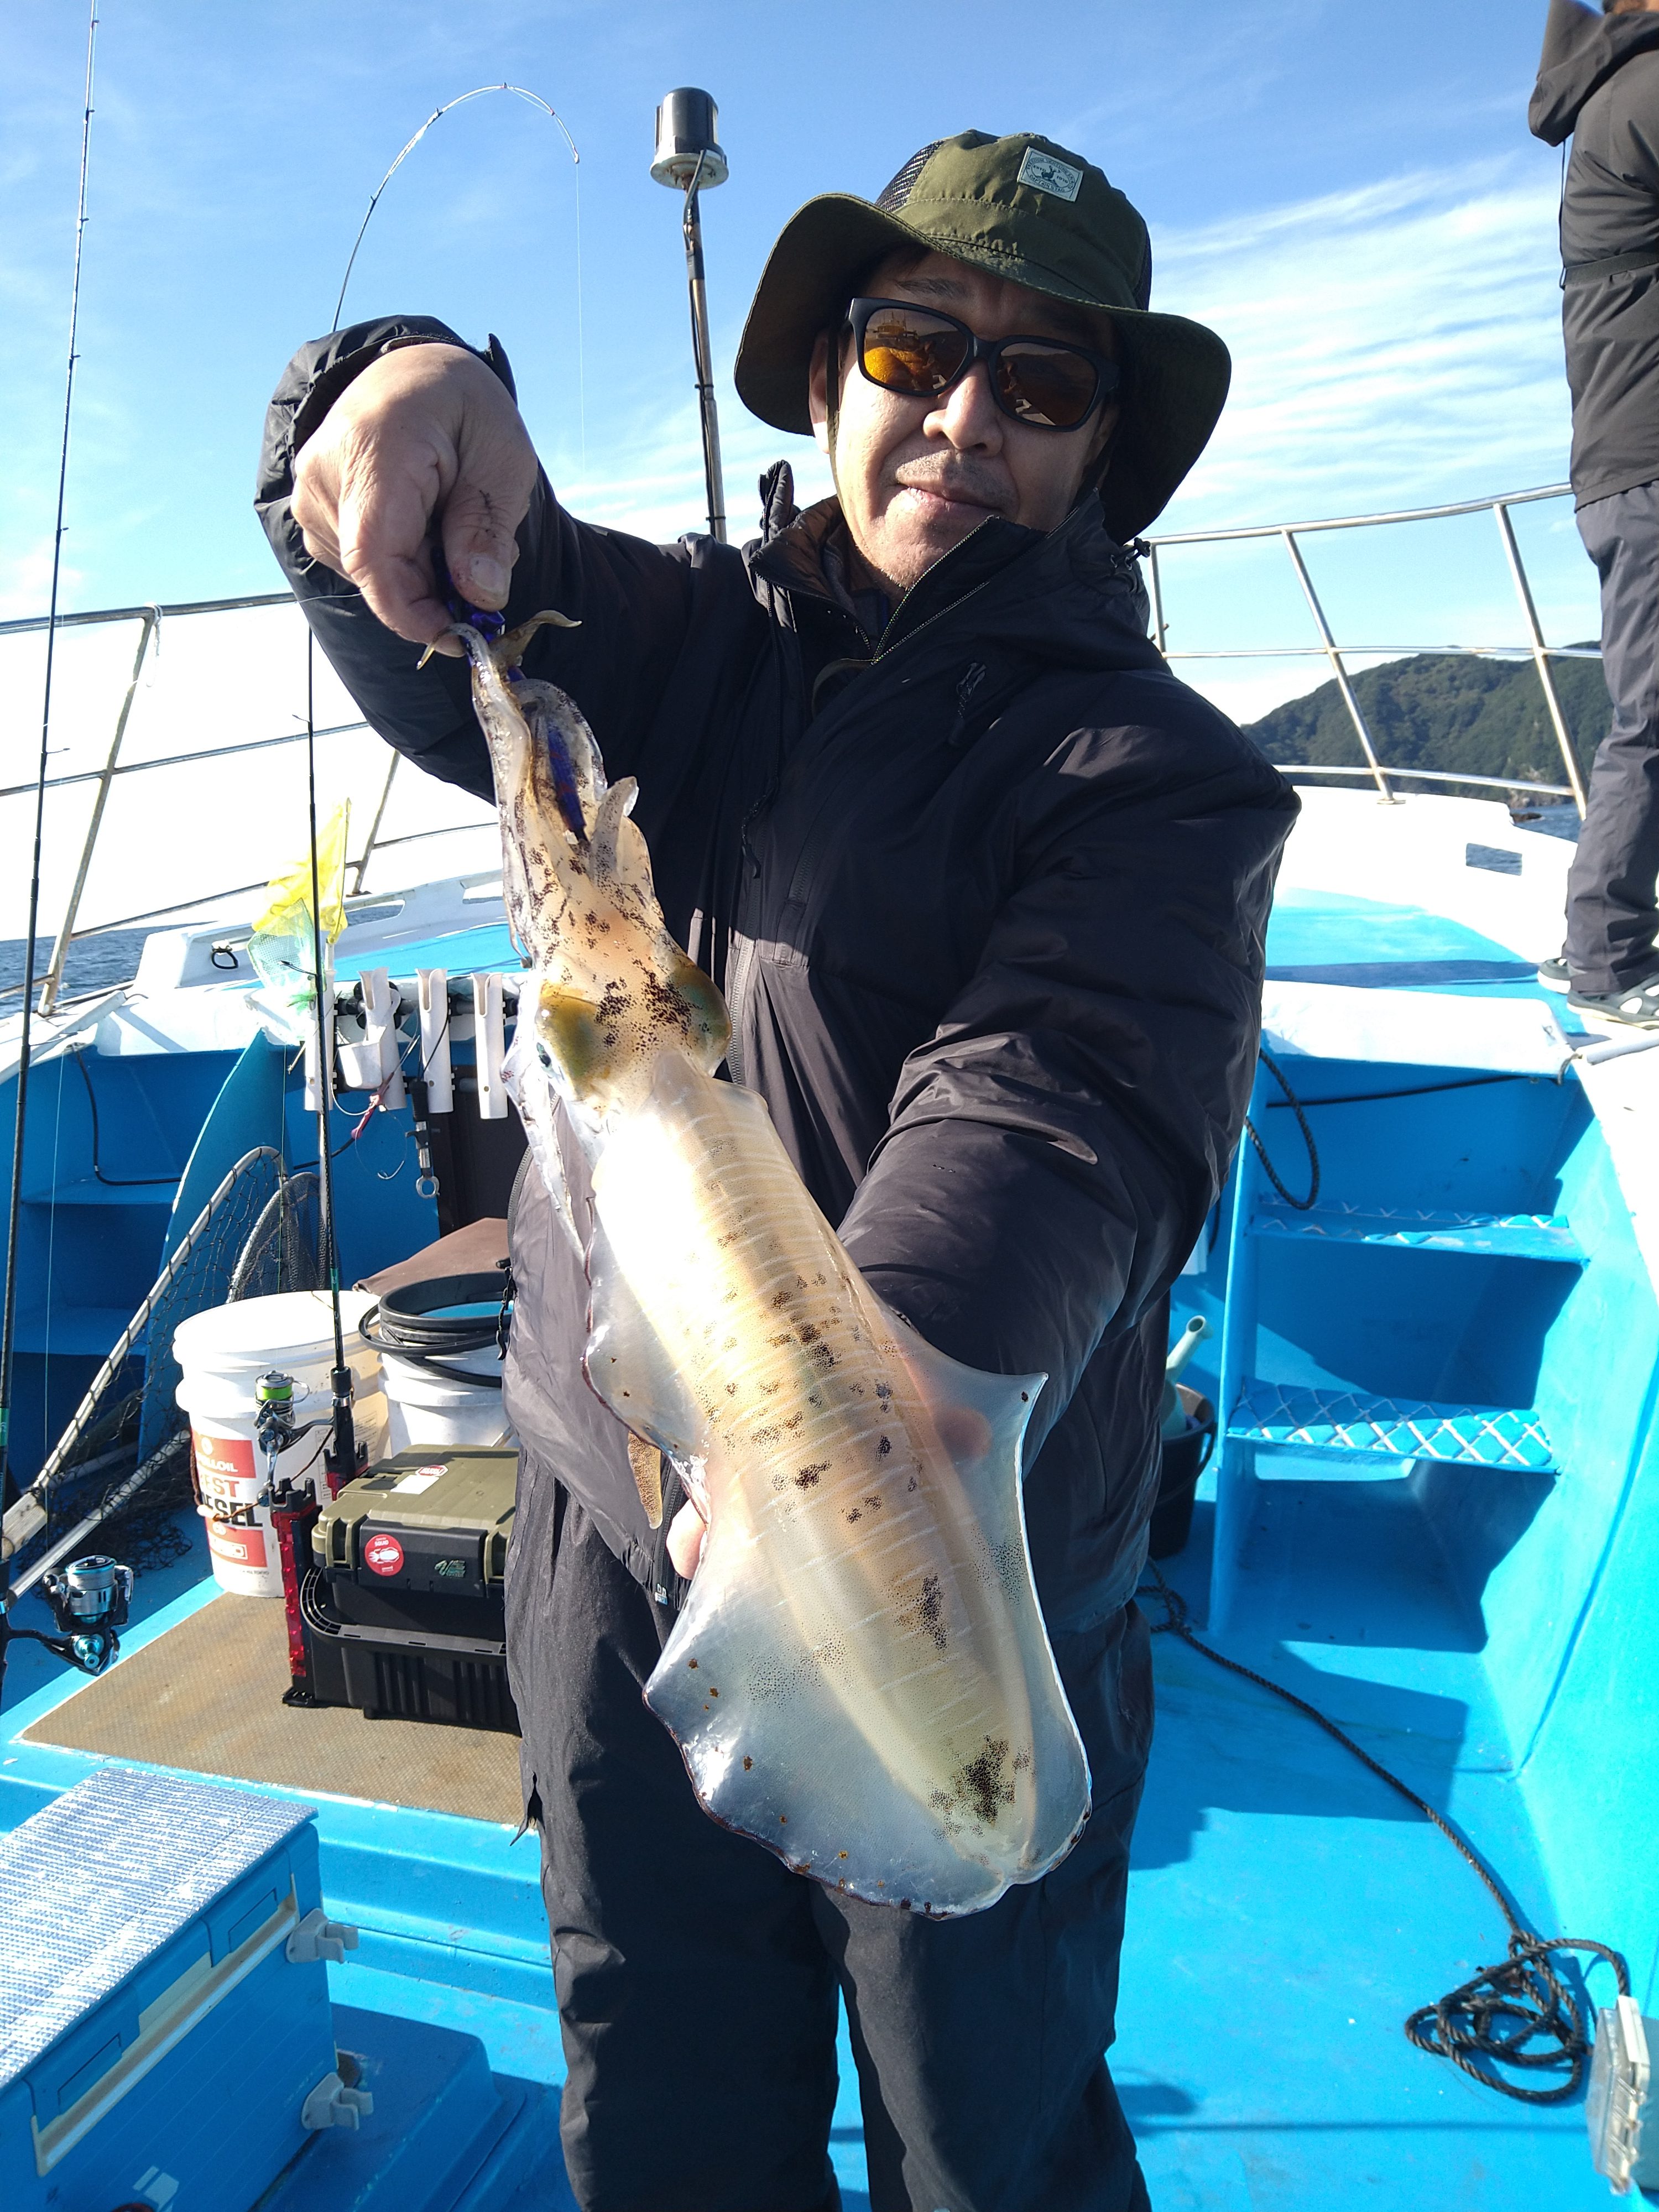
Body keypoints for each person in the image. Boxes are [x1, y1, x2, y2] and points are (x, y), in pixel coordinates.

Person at [257, 129, 1297, 2212]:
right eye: (915, 351)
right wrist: (382, 396)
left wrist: (856, 1415)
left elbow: (1064, 1093)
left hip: (949, 1557)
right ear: (828, 380)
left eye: (1043, 382)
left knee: (983, 2135)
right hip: (619, 1533)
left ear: (1101, 450)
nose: (967, 418)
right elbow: (485, 621)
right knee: (660, 2088)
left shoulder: (1166, 779)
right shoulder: (692, 643)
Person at [1532, 0, 1659, 1030]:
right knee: (1653, 719)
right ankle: (1607, 963)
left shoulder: (1609, 97)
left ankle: (1599, 941)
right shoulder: (1648, 88)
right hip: (1651, 465)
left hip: (1625, 465)